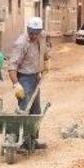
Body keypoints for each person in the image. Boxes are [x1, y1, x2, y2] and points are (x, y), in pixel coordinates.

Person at [7, 16, 50, 150]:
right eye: (31, 33)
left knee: (36, 111)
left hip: (35, 77)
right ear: (27, 29)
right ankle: (22, 142)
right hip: (24, 78)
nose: (33, 36)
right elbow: (12, 66)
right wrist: (16, 84)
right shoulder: (21, 43)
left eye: (36, 33)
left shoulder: (42, 36)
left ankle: (32, 141)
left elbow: (44, 50)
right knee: (24, 110)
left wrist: (46, 62)